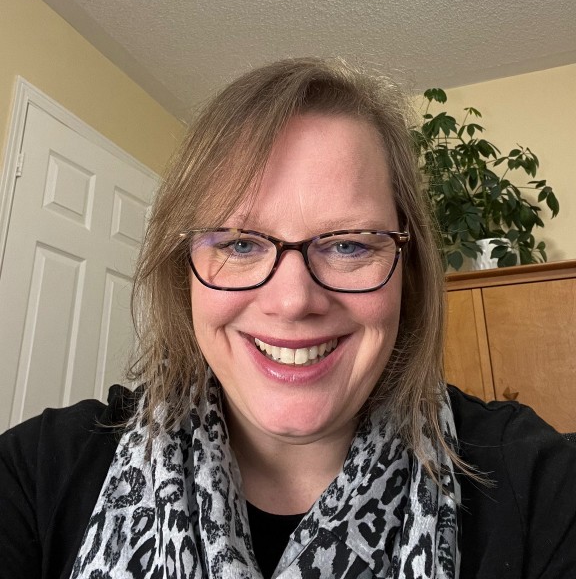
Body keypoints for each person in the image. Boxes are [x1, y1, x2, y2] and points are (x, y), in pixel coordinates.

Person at [1, 57, 575, 579]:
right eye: (241, 243)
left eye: (349, 244)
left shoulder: (537, 484)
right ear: (182, 271)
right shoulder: (38, 474)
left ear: (411, 269)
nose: (293, 300)